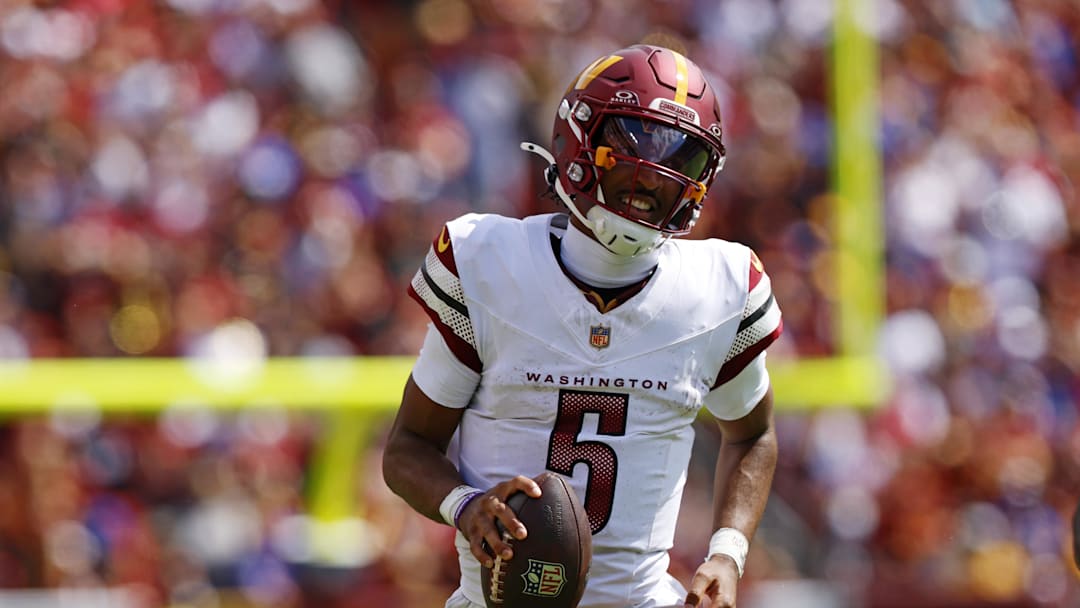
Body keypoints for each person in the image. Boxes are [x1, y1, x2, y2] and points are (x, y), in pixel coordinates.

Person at [382, 44, 782, 608]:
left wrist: (727, 552)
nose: (655, 175)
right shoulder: (486, 263)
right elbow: (408, 449)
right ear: (578, 140)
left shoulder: (719, 288)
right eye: (633, 143)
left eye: (681, 158)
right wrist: (467, 506)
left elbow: (754, 434)